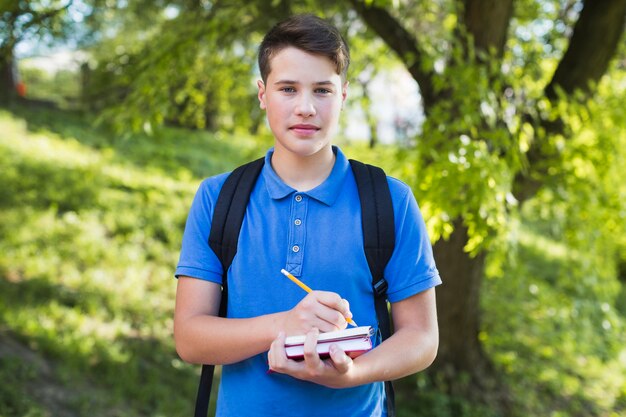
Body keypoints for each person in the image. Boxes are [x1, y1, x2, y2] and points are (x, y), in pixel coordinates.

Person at [174, 14, 441, 417]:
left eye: (322, 90)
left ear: (344, 95)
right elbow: (190, 338)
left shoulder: (390, 200)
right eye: (287, 89)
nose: (305, 107)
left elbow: (421, 337)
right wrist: (284, 324)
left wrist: (351, 374)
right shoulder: (219, 197)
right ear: (262, 93)